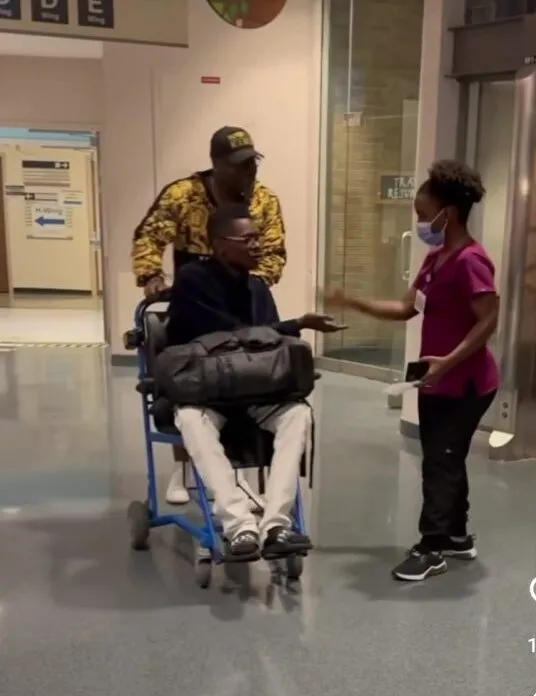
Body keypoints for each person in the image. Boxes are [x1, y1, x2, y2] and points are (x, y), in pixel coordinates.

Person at [324, 160, 499, 582]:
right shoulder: (436, 259)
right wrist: (353, 302)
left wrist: (448, 361)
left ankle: (432, 547)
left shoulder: (471, 260)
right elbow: (407, 307)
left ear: (448, 213)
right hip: (436, 381)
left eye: (424, 214)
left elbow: (489, 319)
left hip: (465, 383)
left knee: (440, 460)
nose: (420, 223)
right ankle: (456, 536)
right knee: (447, 457)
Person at [167, 203, 345, 561]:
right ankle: (239, 526)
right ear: (221, 245)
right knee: (189, 419)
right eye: (247, 239)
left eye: (258, 237)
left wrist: (289, 345)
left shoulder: (258, 287)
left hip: (254, 391)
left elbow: (268, 343)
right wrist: (296, 324)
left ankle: (276, 525)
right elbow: (230, 338)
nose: (257, 245)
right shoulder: (192, 281)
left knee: (297, 414)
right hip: (208, 393)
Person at [132, 126, 287, 505]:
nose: (249, 171)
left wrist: (250, 283)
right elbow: (148, 236)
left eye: (252, 162)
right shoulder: (182, 194)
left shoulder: (264, 200)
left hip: (241, 296)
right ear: (216, 164)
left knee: (250, 374)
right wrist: (152, 276)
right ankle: (184, 467)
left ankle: (239, 471)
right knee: (188, 377)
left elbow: (274, 253)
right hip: (195, 296)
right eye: (240, 165)